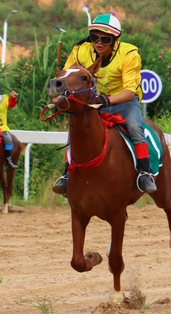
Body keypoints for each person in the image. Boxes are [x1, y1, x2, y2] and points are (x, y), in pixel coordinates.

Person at [52, 12, 157, 195]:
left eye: (106, 39)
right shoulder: (80, 50)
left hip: (124, 101)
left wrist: (107, 99)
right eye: (95, 37)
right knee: (76, 130)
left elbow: (129, 91)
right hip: (94, 102)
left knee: (134, 127)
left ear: (116, 39)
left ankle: (145, 173)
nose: (99, 42)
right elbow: (67, 77)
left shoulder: (130, 54)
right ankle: (66, 174)